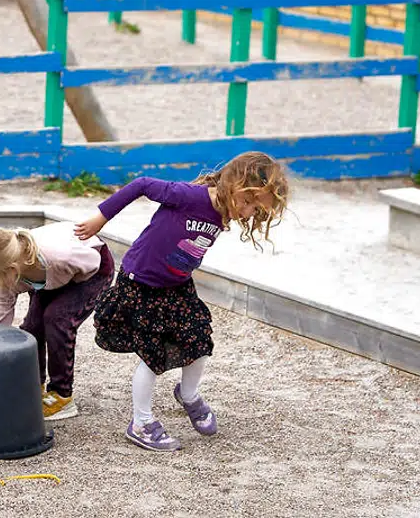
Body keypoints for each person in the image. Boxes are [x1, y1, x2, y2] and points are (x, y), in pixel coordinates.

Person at [74, 151, 289, 451]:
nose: (250, 213)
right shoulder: (189, 196)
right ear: (234, 185)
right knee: (153, 357)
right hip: (143, 285)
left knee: (200, 340)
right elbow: (141, 184)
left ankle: (188, 395)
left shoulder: (224, 212)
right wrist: (100, 218)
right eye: (250, 203)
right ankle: (141, 423)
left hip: (177, 287)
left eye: (257, 209)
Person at [0, 222, 115, 422]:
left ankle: (62, 395)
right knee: (32, 328)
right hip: (48, 275)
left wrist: (65, 293)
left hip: (89, 272)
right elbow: (0, 320)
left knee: (58, 320)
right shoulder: (11, 273)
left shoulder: (62, 256)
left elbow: (92, 261)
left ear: (12, 269)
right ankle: (34, 385)